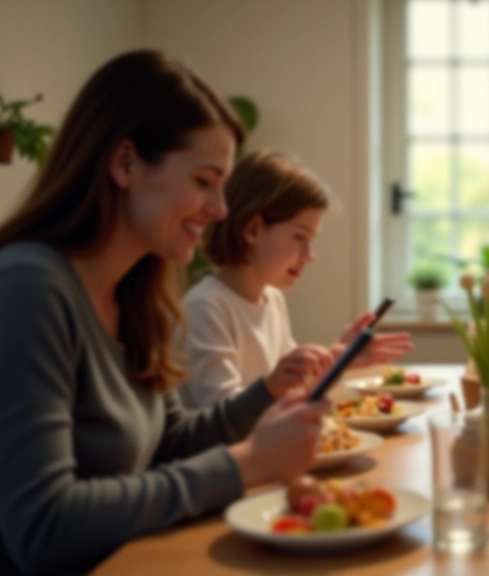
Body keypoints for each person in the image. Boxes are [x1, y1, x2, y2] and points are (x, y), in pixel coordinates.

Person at [0, 51, 332, 575]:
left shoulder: (136, 294)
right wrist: (249, 463)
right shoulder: (28, 287)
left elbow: (169, 444)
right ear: (125, 163)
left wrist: (268, 399)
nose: (222, 208)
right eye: (204, 181)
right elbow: (42, 527)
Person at [179, 150, 412, 409]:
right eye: (300, 237)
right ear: (253, 230)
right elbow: (221, 417)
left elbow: (291, 389)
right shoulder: (206, 308)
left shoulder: (272, 299)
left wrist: (338, 357)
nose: (310, 255)